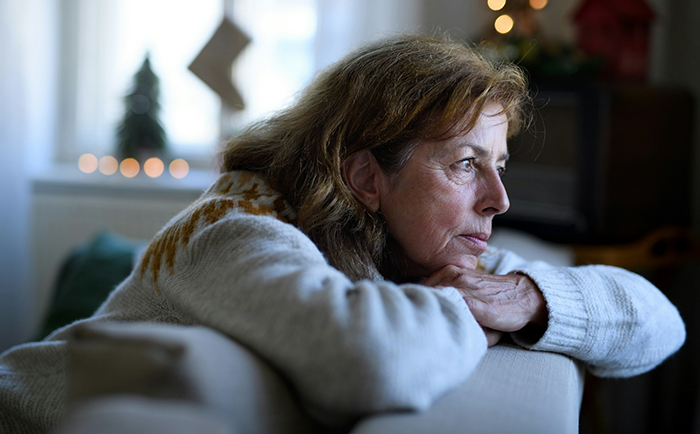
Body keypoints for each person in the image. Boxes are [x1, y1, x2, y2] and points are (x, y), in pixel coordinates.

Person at [0, 34, 686, 433]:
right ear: (365, 176)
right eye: (467, 164)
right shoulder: (235, 231)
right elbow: (368, 359)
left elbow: (661, 323)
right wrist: (464, 307)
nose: (498, 199)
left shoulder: (411, 242)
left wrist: (529, 298)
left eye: (498, 165)